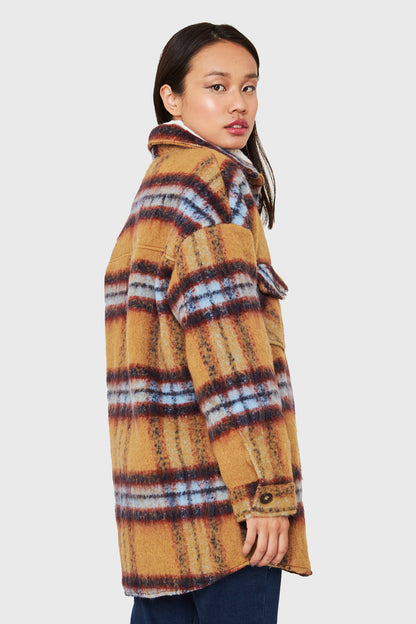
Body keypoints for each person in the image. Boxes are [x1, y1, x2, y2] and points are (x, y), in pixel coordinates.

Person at [104, 22, 312, 624]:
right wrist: (264, 492)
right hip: (225, 515)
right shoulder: (213, 187)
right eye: (217, 86)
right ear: (171, 98)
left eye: (249, 86)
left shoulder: (156, 193)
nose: (239, 104)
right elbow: (229, 354)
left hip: (154, 519)